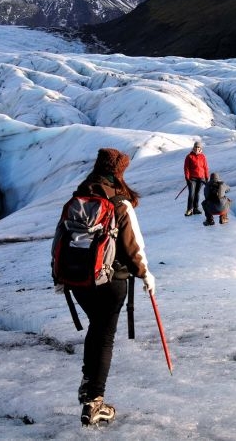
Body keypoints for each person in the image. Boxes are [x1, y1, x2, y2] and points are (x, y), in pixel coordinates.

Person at [71, 148, 156, 426]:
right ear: (118, 172)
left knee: (96, 329)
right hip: (111, 280)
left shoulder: (80, 196)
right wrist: (145, 274)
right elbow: (133, 247)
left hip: (78, 280)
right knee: (104, 334)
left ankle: (89, 385)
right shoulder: (119, 202)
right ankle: (95, 401)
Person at [183, 141, 209, 216]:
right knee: (191, 193)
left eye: (198, 147)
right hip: (192, 179)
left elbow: (205, 167)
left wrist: (207, 177)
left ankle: (195, 209)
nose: (197, 148)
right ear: (193, 147)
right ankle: (189, 210)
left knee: (197, 194)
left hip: (201, 178)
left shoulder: (203, 156)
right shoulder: (189, 156)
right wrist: (187, 179)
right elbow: (186, 168)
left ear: (200, 148)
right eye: (196, 147)